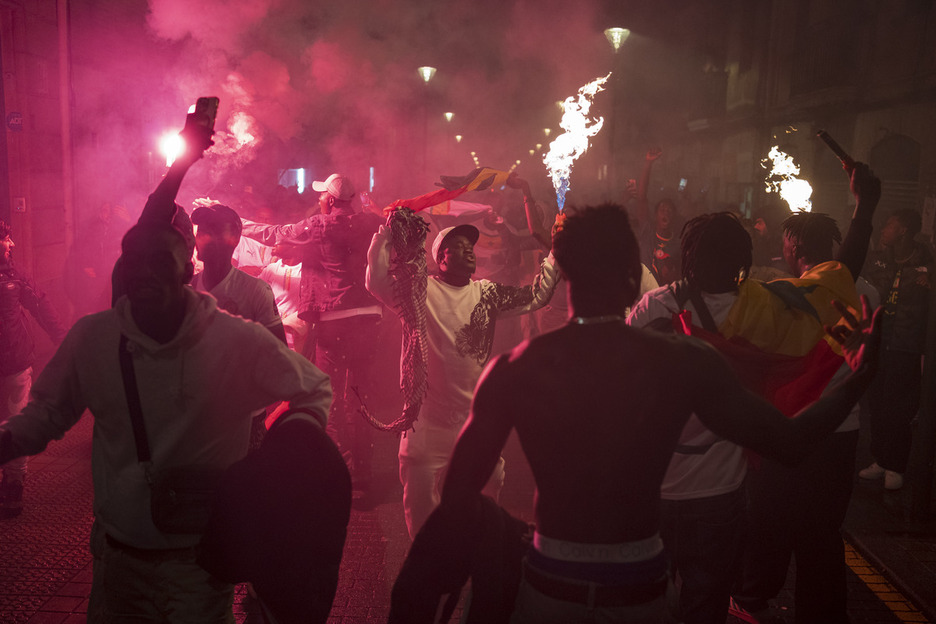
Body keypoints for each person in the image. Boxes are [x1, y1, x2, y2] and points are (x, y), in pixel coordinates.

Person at [437, 203, 879, 624]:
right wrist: (856, 379)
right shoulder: (683, 360)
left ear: (563, 273)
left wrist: (510, 541)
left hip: (548, 580)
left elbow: (457, 497)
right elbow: (790, 442)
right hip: (637, 587)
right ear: (634, 281)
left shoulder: (513, 369)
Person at [0, 220, 332, 622]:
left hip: (199, 565)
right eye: (134, 262)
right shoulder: (94, 338)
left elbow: (313, 388)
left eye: (160, 262)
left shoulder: (234, 340)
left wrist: (286, 453)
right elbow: (47, 415)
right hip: (117, 559)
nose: (145, 273)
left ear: (186, 272)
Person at [366, 210, 559, 539]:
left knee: (486, 503)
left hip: (472, 423)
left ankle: (474, 566)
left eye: (471, 245)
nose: (470, 250)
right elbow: (376, 281)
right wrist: (383, 237)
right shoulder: (419, 291)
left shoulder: (486, 293)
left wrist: (555, 252)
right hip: (427, 424)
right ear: (441, 258)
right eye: (458, 245)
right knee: (423, 521)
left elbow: (537, 295)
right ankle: (427, 578)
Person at [241, 173, 383, 488]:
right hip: (371, 316)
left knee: (330, 397)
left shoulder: (318, 225)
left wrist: (233, 222)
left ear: (331, 200)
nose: (318, 199)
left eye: (322, 196)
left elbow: (273, 234)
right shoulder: (373, 222)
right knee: (362, 397)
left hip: (336, 320)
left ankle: (342, 471)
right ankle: (364, 473)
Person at [859, 208, 933, 490]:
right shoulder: (878, 260)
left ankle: (896, 465)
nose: (885, 229)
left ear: (903, 230)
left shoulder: (925, 262)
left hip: (907, 345)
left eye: (890, 225)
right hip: (879, 342)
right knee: (877, 404)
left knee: (900, 409)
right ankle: (880, 458)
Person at [0, 221, 67, 518]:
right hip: (14, 359)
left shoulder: (14, 274)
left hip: (14, 361)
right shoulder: (12, 275)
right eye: (6, 238)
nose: (11, 244)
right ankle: (12, 484)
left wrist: (60, 337)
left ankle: (12, 485)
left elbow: (39, 303)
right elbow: (40, 304)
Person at [190, 202, 287, 344]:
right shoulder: (187, 288)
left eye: (211, 233)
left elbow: (279, 354)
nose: (201, 239)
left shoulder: (256, 291)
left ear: (235, 239)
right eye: (200, 232)